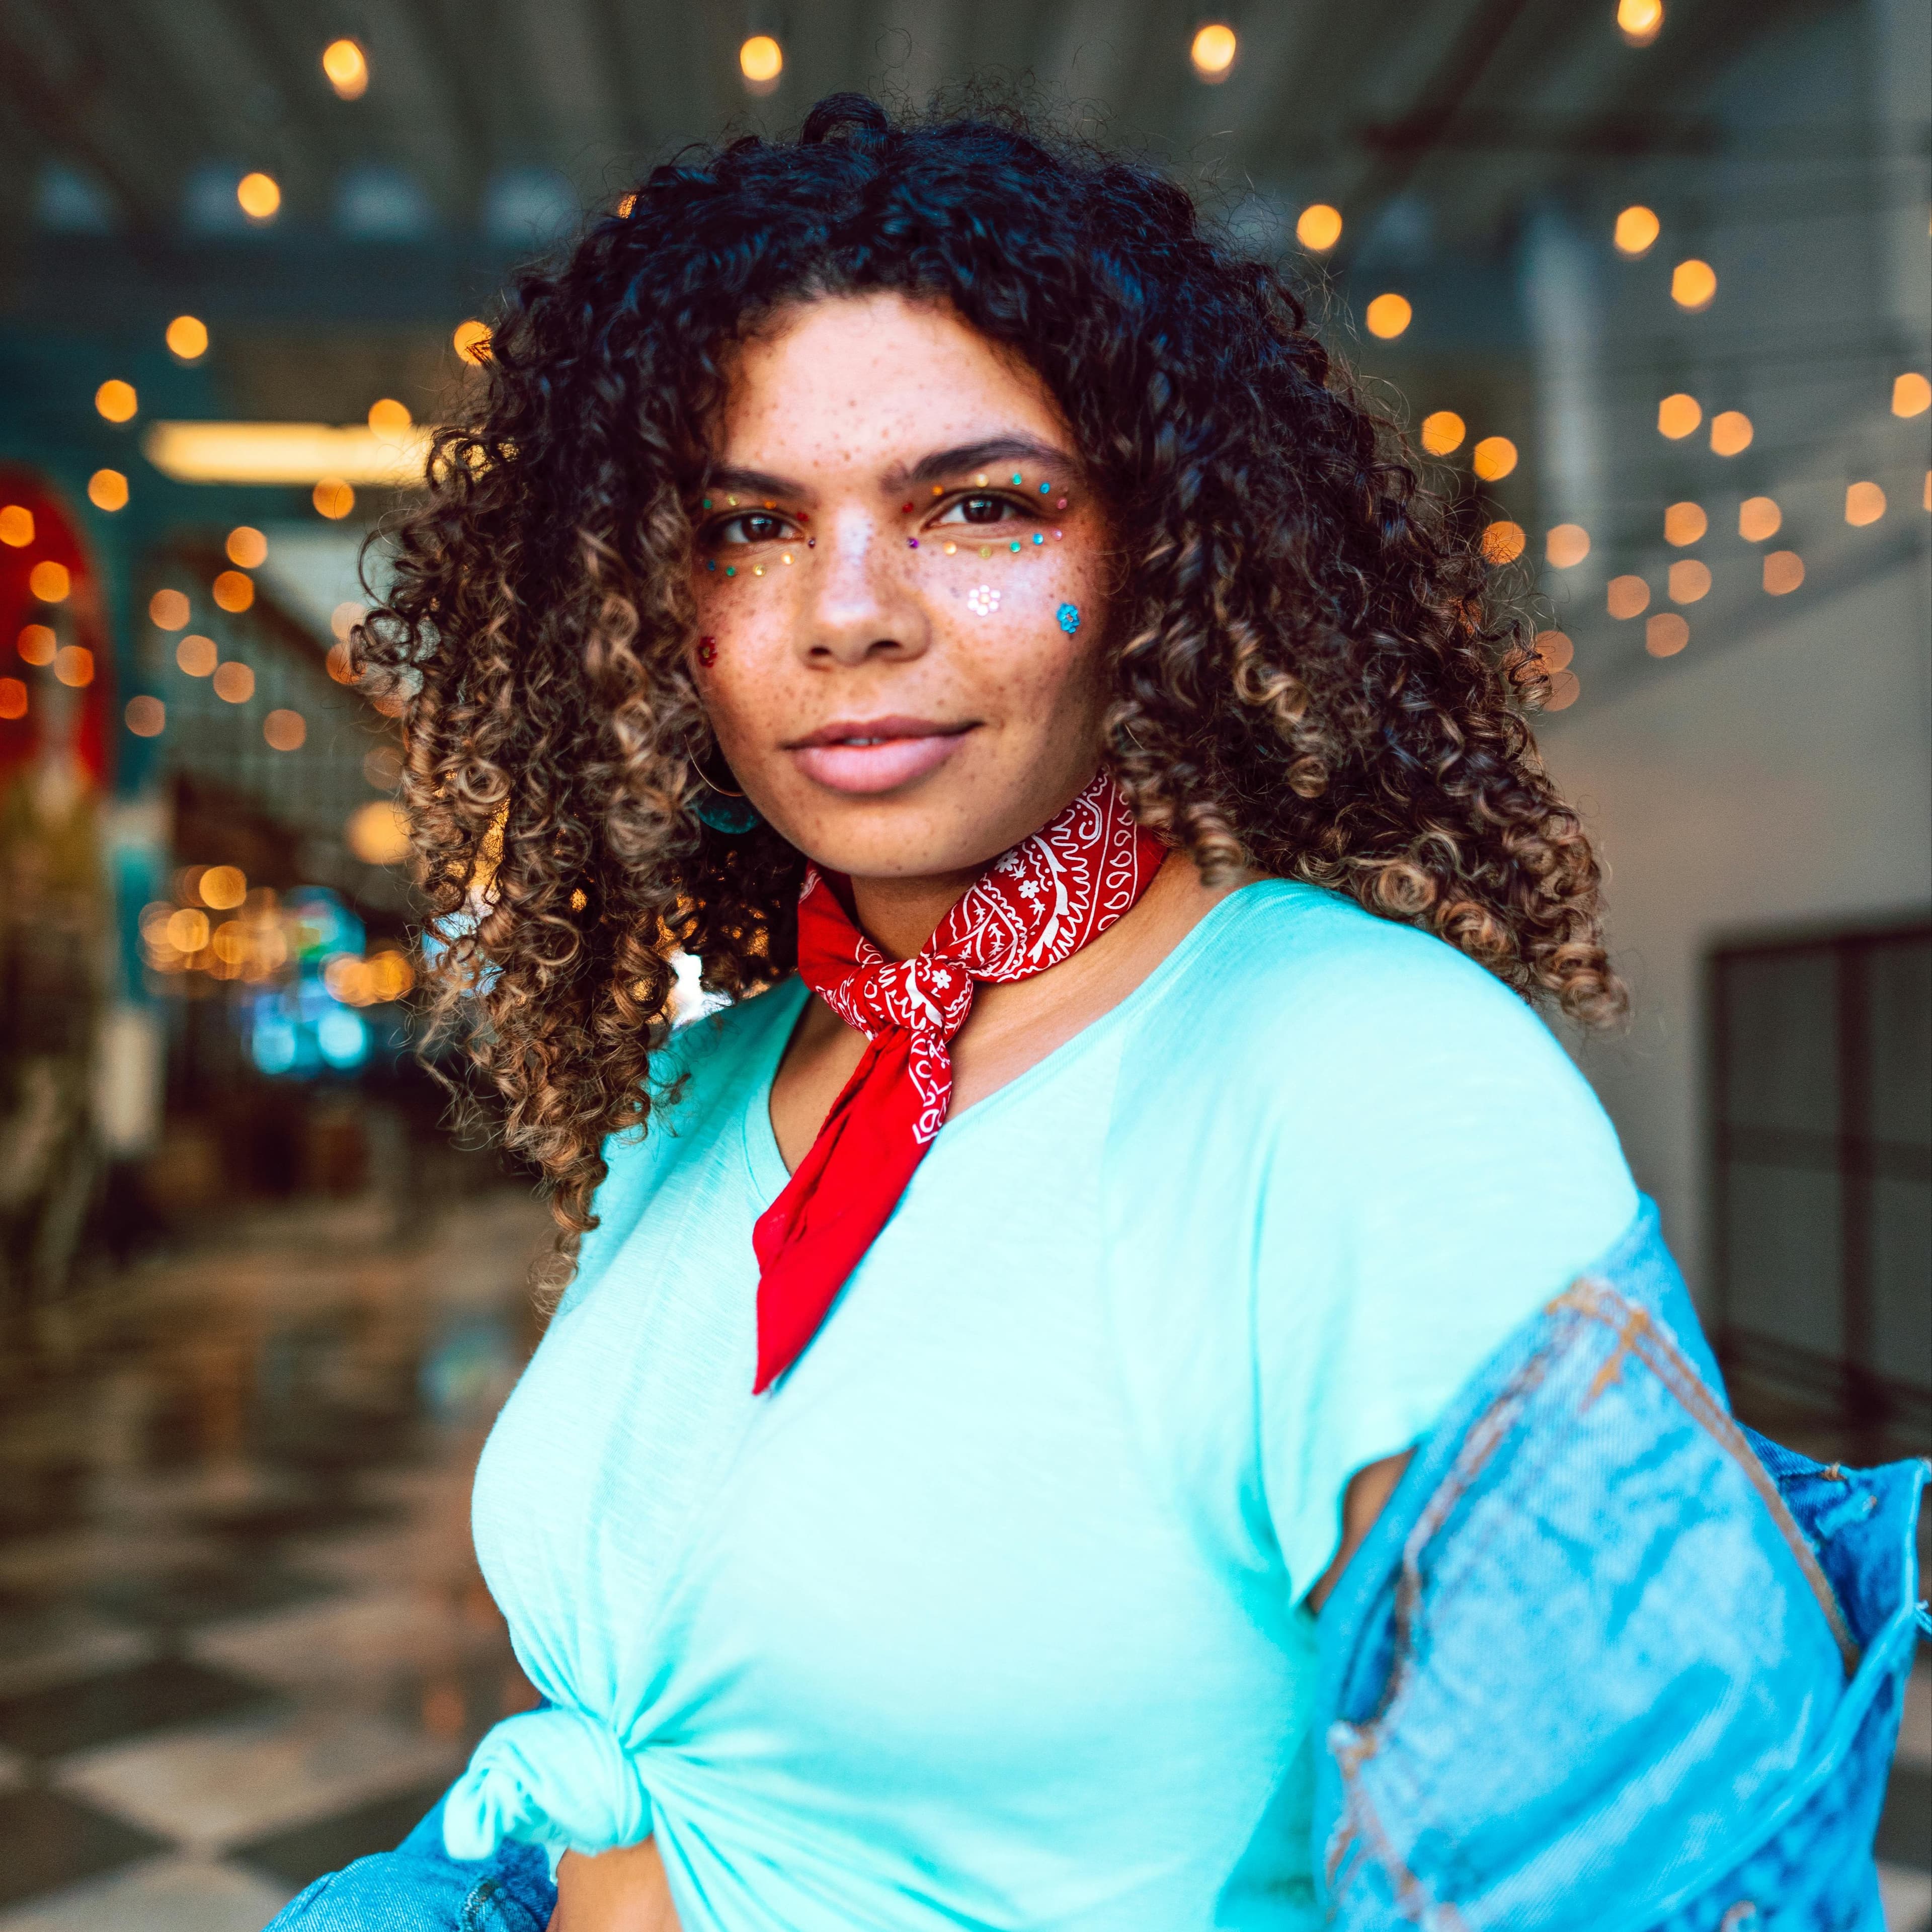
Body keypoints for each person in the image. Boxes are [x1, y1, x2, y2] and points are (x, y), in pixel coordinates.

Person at [273, 94, 1898, 1932]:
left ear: (1158, 561)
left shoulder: (1367, 1081)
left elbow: (1639, 1878)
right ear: (662, 611)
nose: (851, 614)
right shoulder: (694, 1094)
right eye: (750, 526)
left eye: (979, 506)